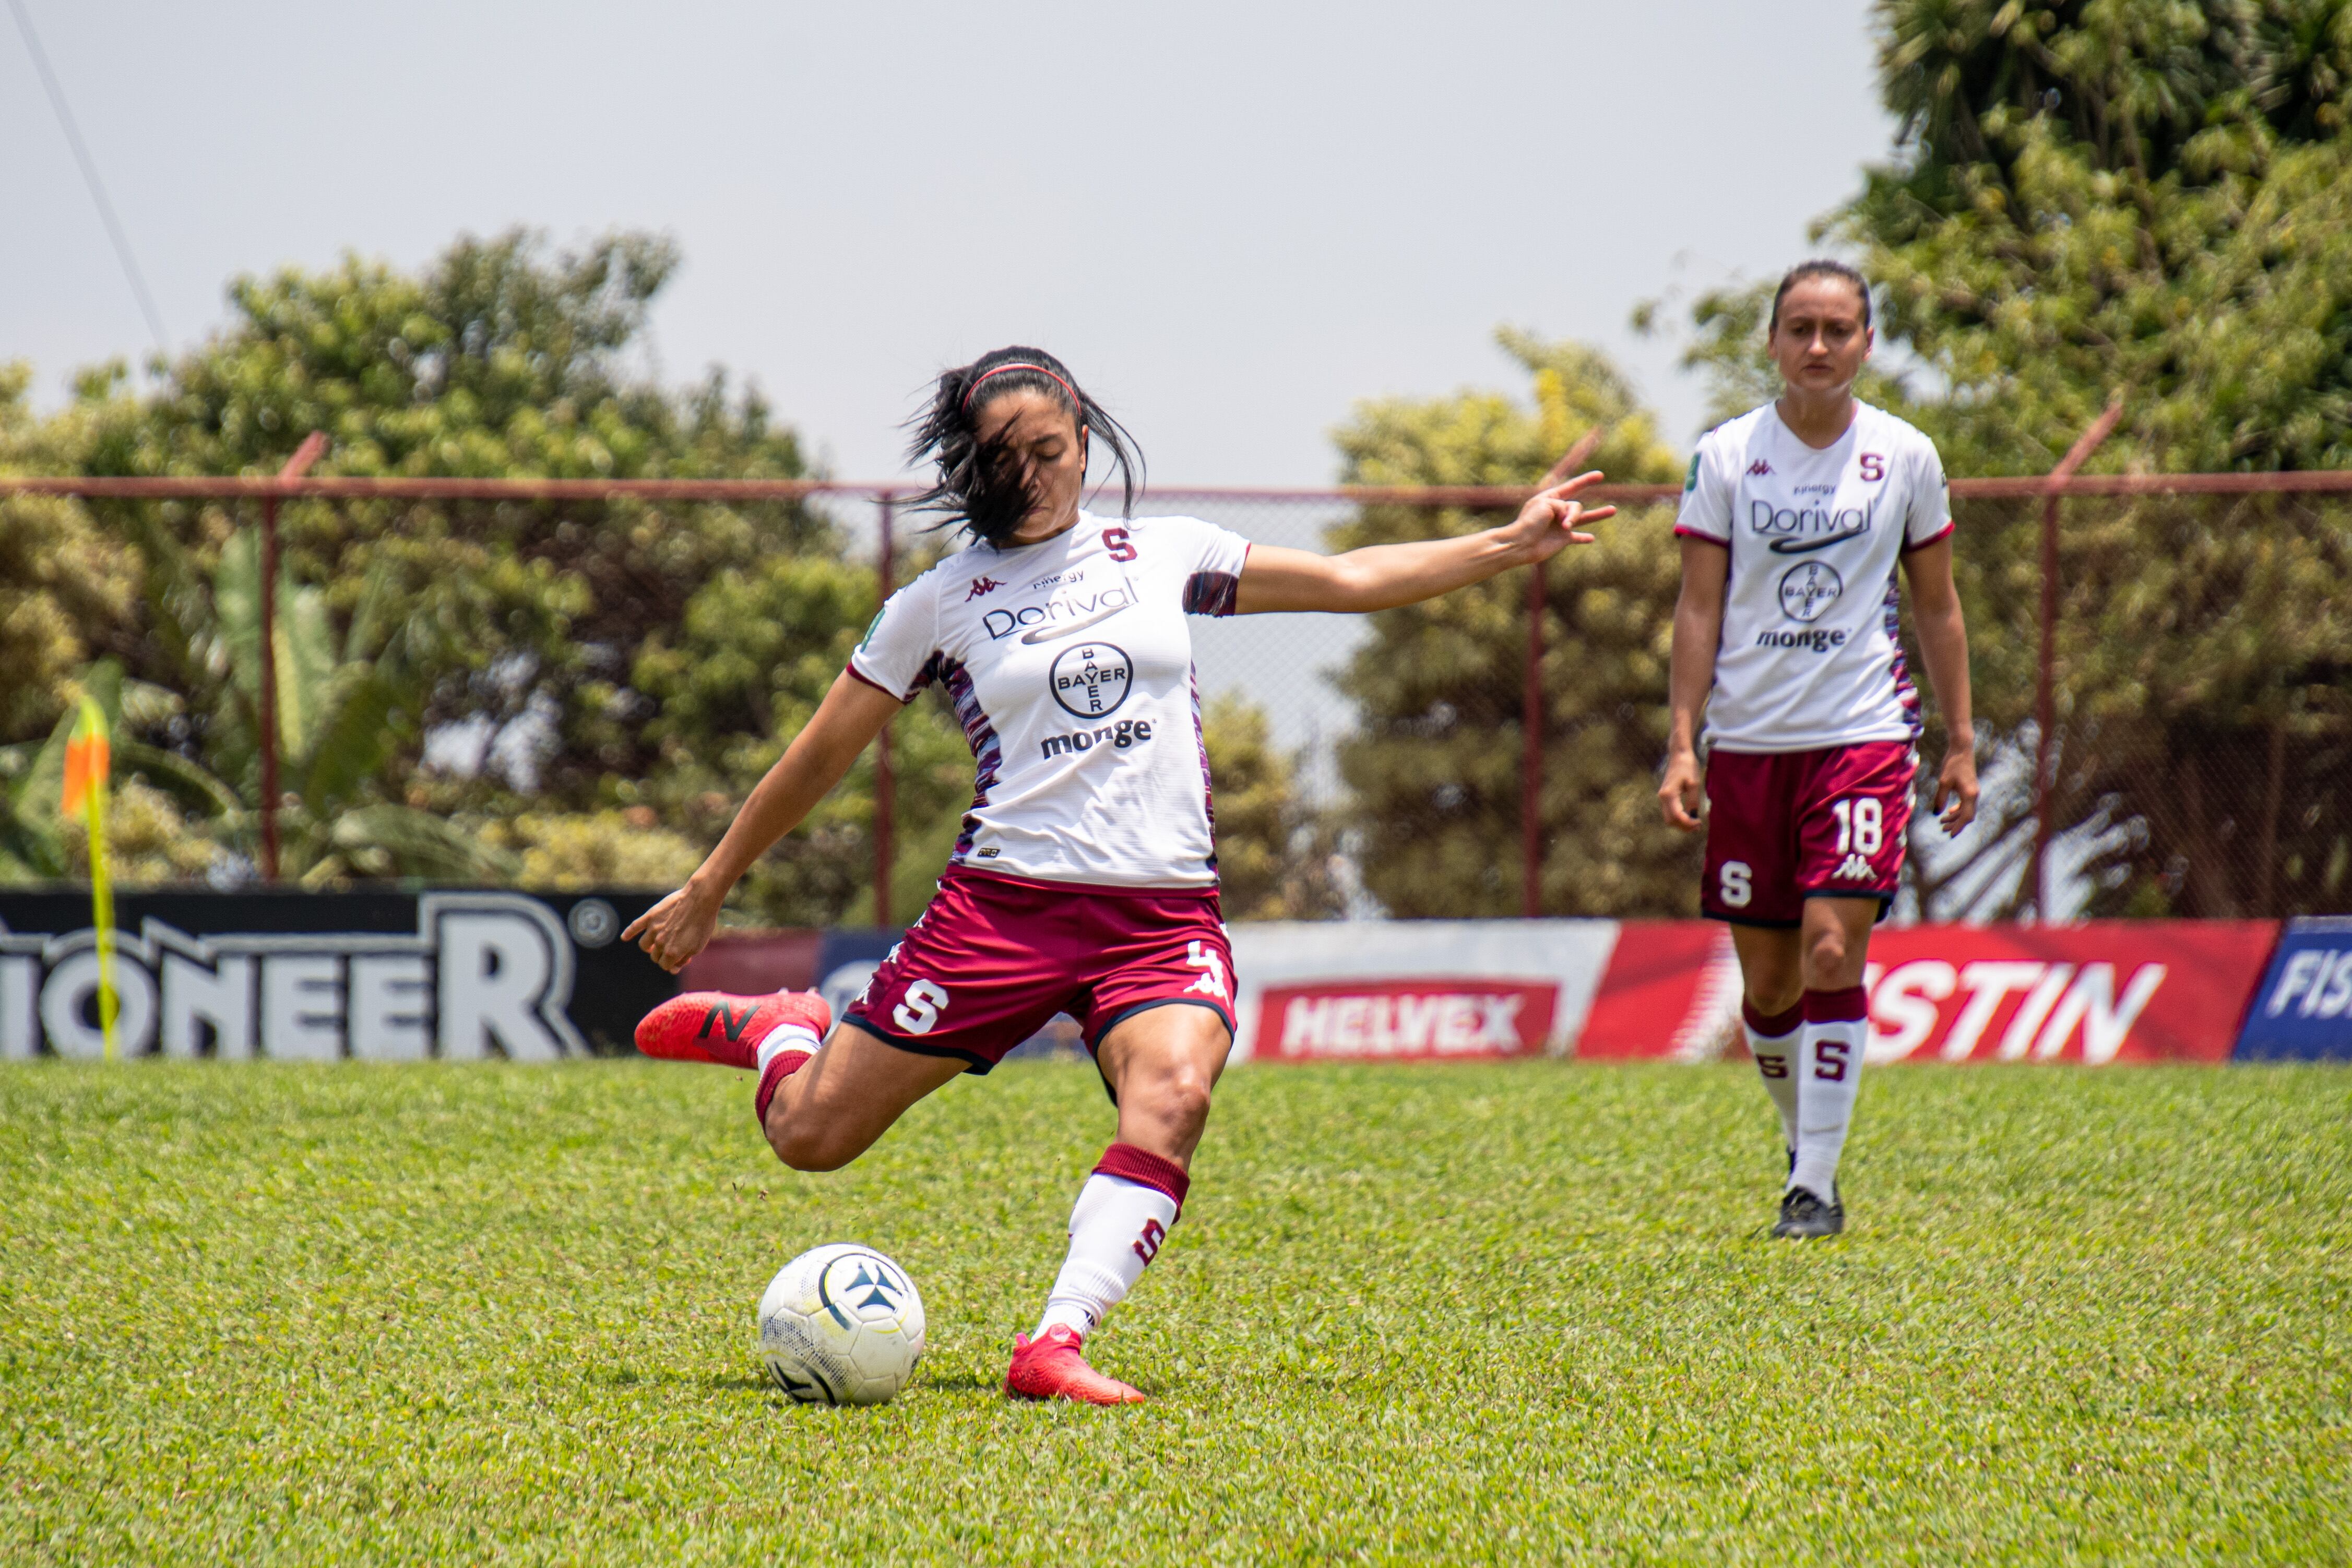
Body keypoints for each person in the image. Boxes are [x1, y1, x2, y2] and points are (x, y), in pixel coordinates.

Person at [625, 346, 1613, 1401]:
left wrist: (1511, 543)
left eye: (1051, 448)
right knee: (810, 1138)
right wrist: (713, 881)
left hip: (1159, 916)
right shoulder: (939, 602)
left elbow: (1350, 580)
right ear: (971, 465)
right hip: (1001, 912)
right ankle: (782, 1031)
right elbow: (821, 751)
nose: (1035, 471)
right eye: (1006, 455)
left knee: (1176, 1092)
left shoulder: (1165, 552)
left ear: (1087, 445)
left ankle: (1054, 1342)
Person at [1658, 260, 1978, 1240]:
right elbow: (1698, 606)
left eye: (1838, 328)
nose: (1818, 346)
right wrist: (1681, 744)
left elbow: (1937, 605)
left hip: (1863, 735)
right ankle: (1806, 1143)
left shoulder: (1905, 457)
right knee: (1767, 986)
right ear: (1772, 343)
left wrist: (1959, 741)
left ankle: (1816, 1187)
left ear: (1866, 343)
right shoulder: (1724, 457)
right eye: (1799, 327)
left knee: (1833, 948)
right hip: (1749, 744)